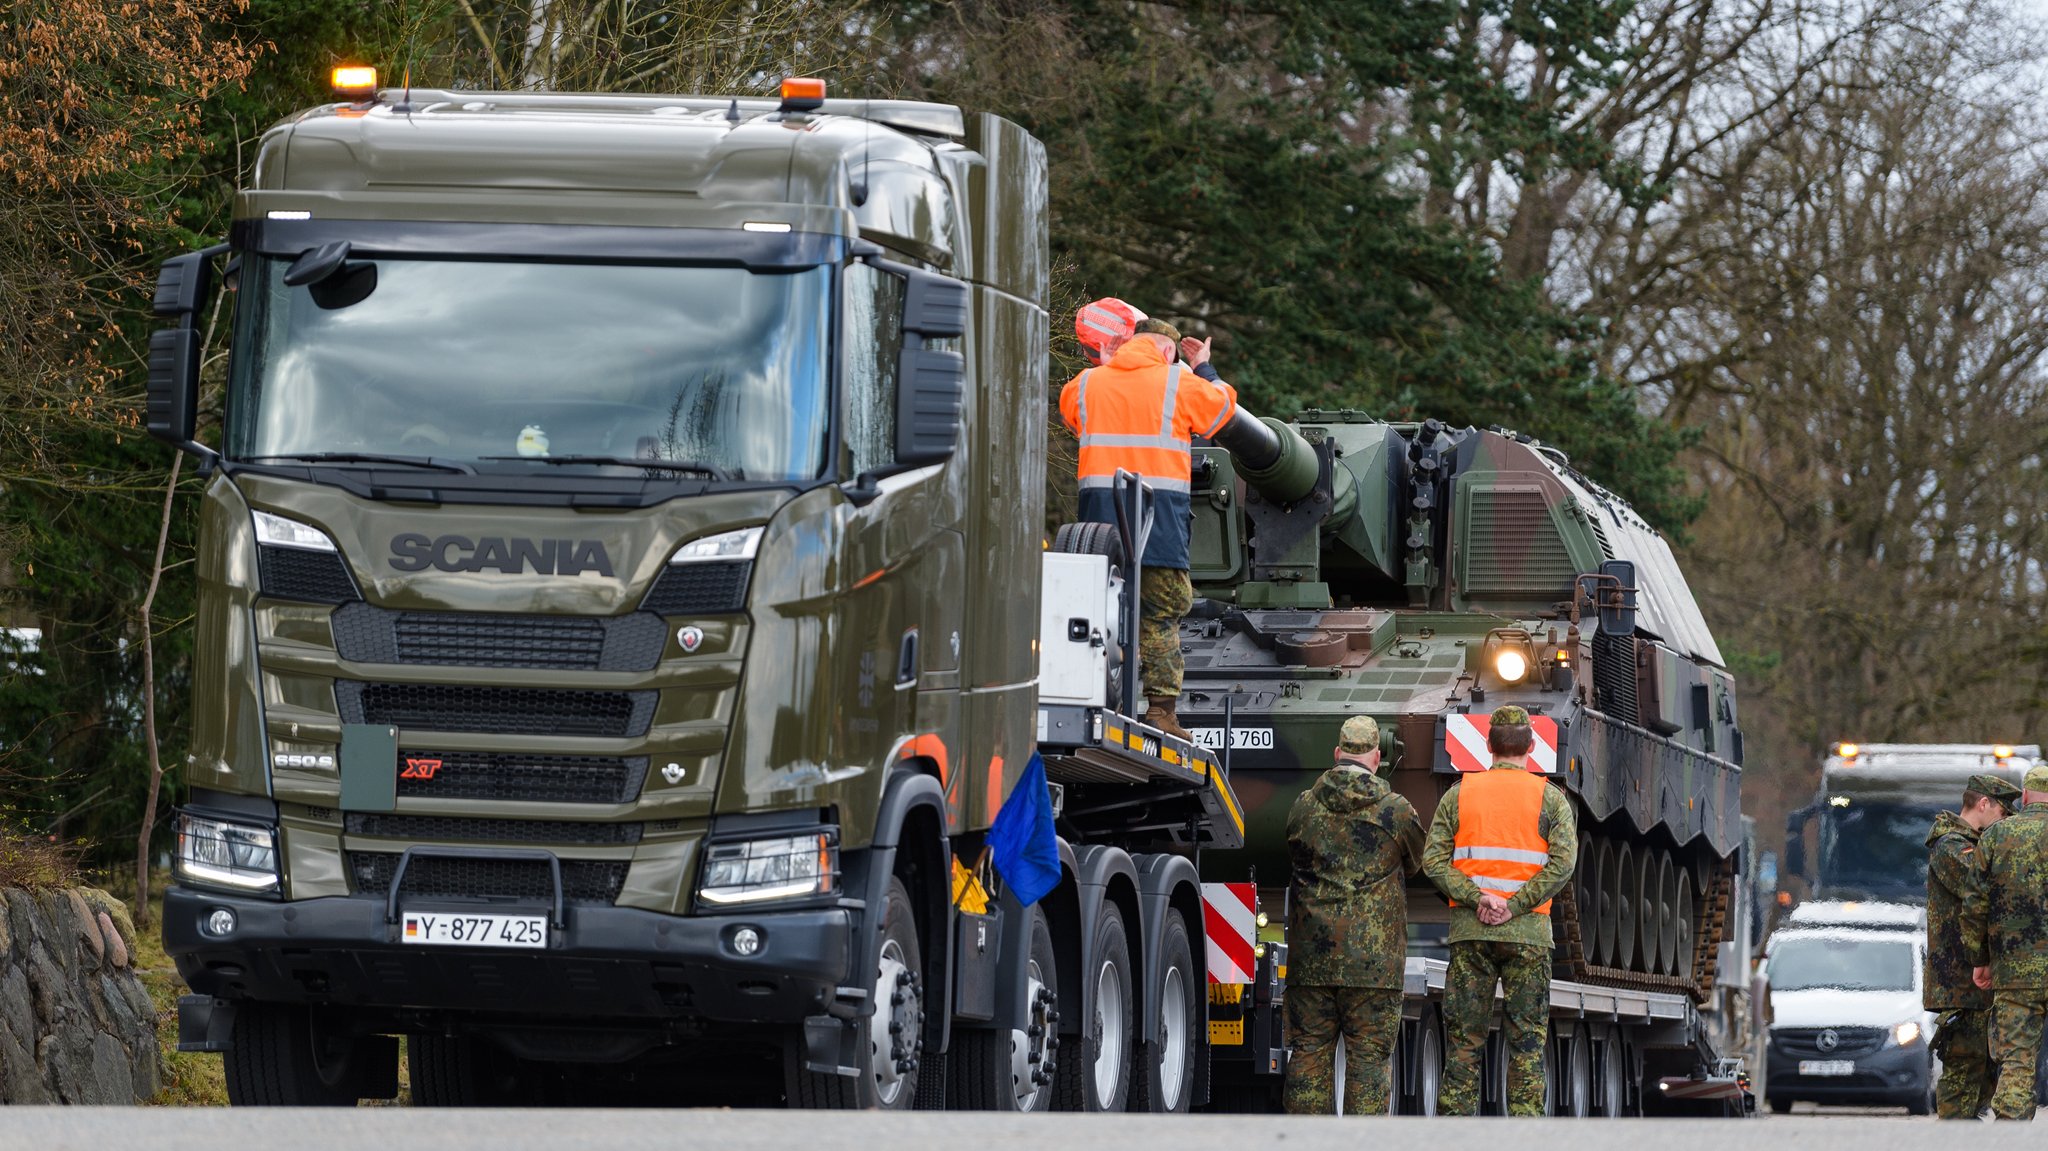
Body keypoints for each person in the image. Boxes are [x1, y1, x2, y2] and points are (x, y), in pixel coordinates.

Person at [1058, 309, 1237, 741]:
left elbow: (1073, 417)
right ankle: (1160, 712)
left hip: (1097, 530)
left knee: (1099, 615)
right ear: (1169, 350)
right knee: (1160, 617)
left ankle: (1094, 700)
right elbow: (1223, 413)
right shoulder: (1179, 383)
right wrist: (1204, 368)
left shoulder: (1083, 385)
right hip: (1157, 525)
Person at [1422, 705, 1577, 1116]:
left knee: (1463, 1044)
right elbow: (1562, 864)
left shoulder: (1459, 794)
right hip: (1527, 936)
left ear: (1488, 746)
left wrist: (1479, 899)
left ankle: (1455, 1136)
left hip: (1471, 935)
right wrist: (1515, 906)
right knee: (1526, 1043)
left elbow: (1434, 862)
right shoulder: (1551, 799)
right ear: (1531, 745)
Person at [1283, 714, 1424, 1115]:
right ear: (1377, 757)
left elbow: (1294, 854)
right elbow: (1415, 863)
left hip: (1311, 962)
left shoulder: (1304, 807)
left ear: (1335, 755)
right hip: (1373, 969)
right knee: (1369, 1063)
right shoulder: (1395, 811)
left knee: (1308, 1055)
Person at [1925, 772, 2021, 1119]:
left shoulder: (1971, 845)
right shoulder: (1951, 846)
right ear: (1984, 804)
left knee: (1983, 1078)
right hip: (1961, 982)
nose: (2004, 823)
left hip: (1976, 981)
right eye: (2002, 814)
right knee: (1964, 1075)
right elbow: (1987, 885)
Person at [1962, 760, 2048, 1121]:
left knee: (2016, 1059)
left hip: (2015, 971)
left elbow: (1974, 904)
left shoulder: (1997, 836)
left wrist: (1980, 959)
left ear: (2025, 796)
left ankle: (2012, 1134)